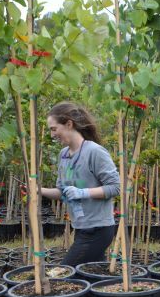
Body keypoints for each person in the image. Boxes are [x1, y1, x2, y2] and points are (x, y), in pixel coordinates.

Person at [40, 102, 120, 267]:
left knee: (66, 271)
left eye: (54, 129)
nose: (52, 135)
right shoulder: (63, 155)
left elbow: (115, 187)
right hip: (81, 227)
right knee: (91, 274)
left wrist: (83, 192)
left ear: (69, 124)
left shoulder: (94, 152)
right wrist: (39, 190)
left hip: (98, 229)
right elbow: (63, 192)